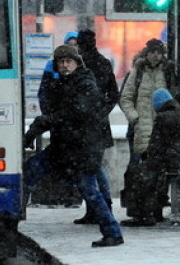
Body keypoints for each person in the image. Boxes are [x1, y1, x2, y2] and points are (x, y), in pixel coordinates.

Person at [24, 44, 124, 248]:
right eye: (60, 62)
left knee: (89, 191)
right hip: (64, 147)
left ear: (77, 62)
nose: (64, 65)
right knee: (29, 172)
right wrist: (38, 127)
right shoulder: (63, 83)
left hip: (82, 148)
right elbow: (54, 111)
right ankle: (10, 218)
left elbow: (75, 113)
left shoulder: (85, 83)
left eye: (68, 61)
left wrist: (44, 122)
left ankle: (113, 232)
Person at [121, 88, 180, 226]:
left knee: (137, 172)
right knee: (153, 172)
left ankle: (143, 215)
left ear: (158, 105)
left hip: (173, 160)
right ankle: (154, 211)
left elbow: (156, 146)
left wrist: (147, 156)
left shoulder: (163, 118)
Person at [73, 29, 119, 225]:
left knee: (89, 169)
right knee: (95, 168)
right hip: (98, 125)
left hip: (82, 125)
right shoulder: (103, 63)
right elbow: (113, 94)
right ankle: (102, 207)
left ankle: (97, 208)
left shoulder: (79, 65)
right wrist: (102, 111)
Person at [119, 38, 176, 162]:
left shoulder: (167, 71)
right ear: (147, 53)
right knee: (144, 165)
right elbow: (125, 98)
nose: (156, 55)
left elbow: (175, 98)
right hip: (143, 128)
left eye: (159, 52)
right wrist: (134, 117)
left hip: (163, 128)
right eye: (153, 51)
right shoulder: (138, 71)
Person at [38, 31, 78, 116]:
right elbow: (44, 91)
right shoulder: (51, 65)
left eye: (76, 44)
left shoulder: (84, 65)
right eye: (70, 44)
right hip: (56, 116)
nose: (73, 47)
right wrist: (49, 113)